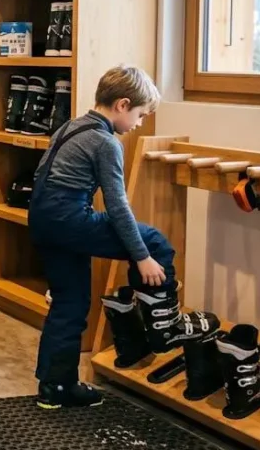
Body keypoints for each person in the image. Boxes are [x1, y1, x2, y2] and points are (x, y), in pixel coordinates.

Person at [27, 65, 208, 409]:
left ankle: (55, 387)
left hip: (42, 220)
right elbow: (118, 206)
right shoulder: (106, 142)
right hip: (69, 219)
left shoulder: (71, 126)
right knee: (155, 242)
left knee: (69, 303)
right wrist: (141, 257)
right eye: (140, 115)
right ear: (123, 104)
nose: (139, 124)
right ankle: (162, 325)